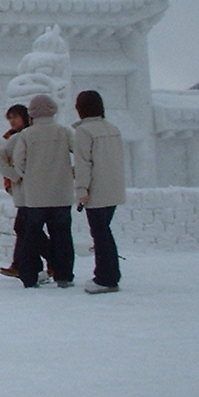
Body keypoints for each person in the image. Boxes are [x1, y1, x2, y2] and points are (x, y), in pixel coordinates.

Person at [12, 94, 75, 289]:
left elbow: (18, 163)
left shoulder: (26, 135)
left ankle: (29, 277)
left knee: (31, 236)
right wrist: (71, 173)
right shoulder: (64, 132)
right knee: (62, 236)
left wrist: (29, 176)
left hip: (35, 196)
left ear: (31, 114)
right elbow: (81, 155)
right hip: (61, 194)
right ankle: (63, 276)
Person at [73, 90, 126, 294]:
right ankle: (110, 274)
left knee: (100, 235)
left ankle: (105, 277)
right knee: (105, 233)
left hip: (96, 191)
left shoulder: (84, 132)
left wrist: (82, 190)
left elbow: (84, 163)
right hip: (113, 189)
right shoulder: (113, 129)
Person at [0, 104, 51, 281]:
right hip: (23, 190)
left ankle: (47, 261)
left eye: (15, 117)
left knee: (25, 227)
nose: (12, 121)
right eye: (9, 118)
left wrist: (13, 177)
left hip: (30, 190)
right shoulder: (15, 137)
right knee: (26, 228)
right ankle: (29, 264)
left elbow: (6, 159)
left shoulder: (25, 137)